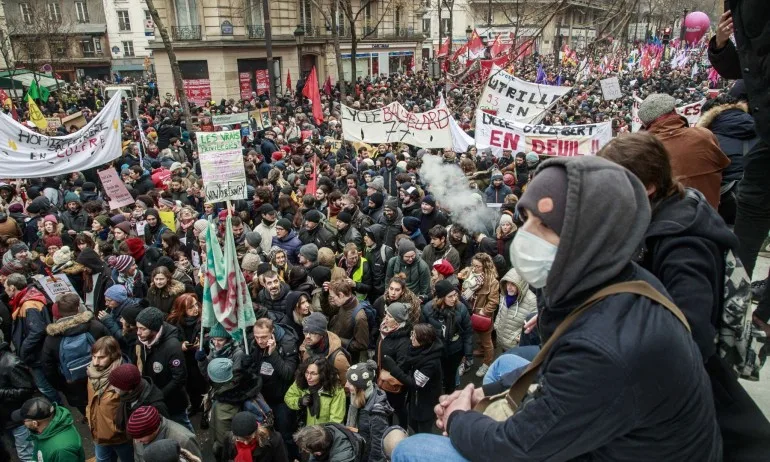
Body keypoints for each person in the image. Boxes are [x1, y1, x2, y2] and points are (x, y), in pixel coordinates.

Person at [393, 156, 722, 461]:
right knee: (505, 366)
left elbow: (516, 448)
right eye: (527, 219)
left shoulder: (604, 349)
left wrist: (458, 418)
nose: (526, 235)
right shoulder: (612, 279)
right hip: (609, 427)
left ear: (592, 234)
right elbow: (551, 361)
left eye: (546, 225)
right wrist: (482, 393)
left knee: (413, 448)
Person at [598, 132, 770, 459]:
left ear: (647, 186)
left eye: (613, 180)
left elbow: (692, 333)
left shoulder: (682, 242)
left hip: (685, 388)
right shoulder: (663, 214)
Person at [638, 93, 730, 209]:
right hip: (710, 218)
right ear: (674, 111)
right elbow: (725, 169)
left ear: (646, 124)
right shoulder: (704, 136)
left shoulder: (645, 150)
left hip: (668, 223)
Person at [42, 293, 110, 415]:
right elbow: (111, 347)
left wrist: (63, 386)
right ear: (78, 308)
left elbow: (48, 369)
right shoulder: (95, 326)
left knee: (88, 413)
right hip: (102, 379)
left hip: (74, 388)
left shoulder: (52, 339)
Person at [135, 307, 192, 432]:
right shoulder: (145, 341)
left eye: (143, 329)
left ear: (155, 329)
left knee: (183, 429)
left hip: (173, 402)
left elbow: (179, 378)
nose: (138, 332)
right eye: (138, 328)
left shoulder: (172, 347)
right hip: (155, 398)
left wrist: (160, 394)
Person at [5, 272, 58, 403]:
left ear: (12, 287)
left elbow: (37, 331)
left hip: (36, 354)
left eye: (6, 287)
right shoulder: (27, 298)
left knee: (44, 386)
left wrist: (23, 350)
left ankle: (58, 409)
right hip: (37, 352)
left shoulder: (29, 305)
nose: (5, 291)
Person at [381, 323, 442, 434]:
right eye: (412, 334)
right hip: (415, 399)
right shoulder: (418, 349)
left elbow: (415, 383)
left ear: (423, 340)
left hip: (425, 403)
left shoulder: (431, 362)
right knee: (413, 425)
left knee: (423, 432)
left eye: (414, 336)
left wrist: (394, 369)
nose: (411, 338)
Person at [86, 336, 134, 462]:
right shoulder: (92, 372)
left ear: (113, 356)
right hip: (98, 434)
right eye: (94, 356)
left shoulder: (125, 378)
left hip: (120, 438)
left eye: (101, 358)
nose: (96, 362)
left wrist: (118, 430)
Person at [420, 279, 472, 394]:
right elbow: (423, 332)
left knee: (451, 377)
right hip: (436, 351)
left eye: (455, 295)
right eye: (450, 296)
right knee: (436, 377)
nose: (454, 299)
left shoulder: (461, 308)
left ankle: (450, 397)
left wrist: (468, 354)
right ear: (442, 297)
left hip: (455, 350)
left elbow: (468, 332)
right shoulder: (428, 309)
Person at [459, 253, 499, 378]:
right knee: (465, 339)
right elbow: (463, 292)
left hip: (481, 316)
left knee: (486, 342)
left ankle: (486, 364)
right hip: (467, 313)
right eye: (473, 265)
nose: (474, 268)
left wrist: (483, 312)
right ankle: (464, 362)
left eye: (478, 266)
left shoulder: (492, 281)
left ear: (485, 267)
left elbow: (494, 302)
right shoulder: (469, 273)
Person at [0, 327, 37, 462]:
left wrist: (2, 393)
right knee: (18, 448)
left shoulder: (11, 363)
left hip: (17, 419)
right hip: (5, 420)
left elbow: (28, 390)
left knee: (26, 454)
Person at [12, 396, 85, 462]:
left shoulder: (61, 450)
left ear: (35, 423)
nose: (23, 423)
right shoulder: (45, 430)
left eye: (24, 421)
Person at [376, 302, 411, 427]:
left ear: (397, 321)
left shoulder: (403, 342)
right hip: (381, 378)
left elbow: (403, 366)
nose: (386, 318)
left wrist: (388, 375)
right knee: (386, 409)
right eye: (387, 314)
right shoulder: (385, 330)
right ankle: (388, 429)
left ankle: (402, 430)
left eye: (390, 316)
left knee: (398, 409)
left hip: (393, 384)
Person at [108, 364, 170, 432]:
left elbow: (164, 430)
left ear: (128, 388)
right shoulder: (128, 396)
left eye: (115, 385)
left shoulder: (156, 405)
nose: (112, 388)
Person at [284, 357, 346, 426]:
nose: (308, 377)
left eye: (313, 374)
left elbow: (336, 420)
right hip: (304, 429)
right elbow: (288, 397)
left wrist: (323, 434)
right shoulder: (301, 382)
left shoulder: (336, 390)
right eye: (307, 372)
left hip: (324, 432)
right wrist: (300, 401)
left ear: (323, 375)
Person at [127, 405, 202, 461]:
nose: (137, 441)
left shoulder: (184, 440)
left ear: (153, 430)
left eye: (140, 437)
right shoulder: (137, 436)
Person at [299, 312, 350, 386]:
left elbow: (346, 387)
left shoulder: (338, 359)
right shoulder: (307, 346)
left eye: (313, 332)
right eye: (305, 332)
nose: (307, 336)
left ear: (322, 335)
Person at [493, 268, 537, 352]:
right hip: (502, 339)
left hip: (515, 346)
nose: (509, 287)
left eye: (513, 284)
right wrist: (497, 325)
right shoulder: (504, 294)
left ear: (521, 285)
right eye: (507, 283)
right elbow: (500, 311)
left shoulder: (531, 300)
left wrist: (522, 337)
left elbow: (534, 324)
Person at [327, 279, 370, 362]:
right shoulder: (343, 303)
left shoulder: (359, 317)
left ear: (341, 295)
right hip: (336, 350)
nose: (332, 300)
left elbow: (362, 345)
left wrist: (337, 339)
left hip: (347, 358)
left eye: (332, 297)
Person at [221, 411, 289, 462]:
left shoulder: (274, 440)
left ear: (256, 431)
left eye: (248, 438)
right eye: (240, 440)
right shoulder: (229, 439)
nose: (245, 443)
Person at [293, 423, 365, 462]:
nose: (303, 450)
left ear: (318, 453)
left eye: (305, 450)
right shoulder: (320, 436)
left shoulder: (343, 457)